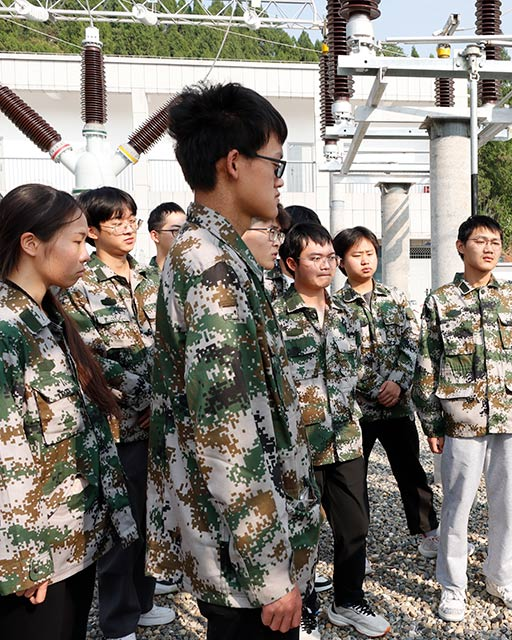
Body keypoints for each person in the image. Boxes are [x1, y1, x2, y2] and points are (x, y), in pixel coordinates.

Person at [145, 82, 321, 640]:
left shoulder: (219, 255)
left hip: (241, 546)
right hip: (247, 563)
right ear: (234, 162)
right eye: (275, 161)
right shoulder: (209, 266)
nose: (281, 176)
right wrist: (271, 573)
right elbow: (226, 431)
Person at [0, 184, 137, 639]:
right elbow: (7, 455)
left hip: (73, 539)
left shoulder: (49, 318)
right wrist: (21, 559)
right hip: (34, 557)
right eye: (77, 241)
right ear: (31, 243)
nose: (86, 252)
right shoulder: (7, 329)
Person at [412, 215, 512, 623]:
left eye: (495, 242)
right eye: (479, 241)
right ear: (460, 246)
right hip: (462, 419)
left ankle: (499, 575)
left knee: (506, 504)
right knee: (457, 505)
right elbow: (426, 361)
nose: (488, 248)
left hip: (511, 417)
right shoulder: (440, 301)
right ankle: (453, 585)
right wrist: (431, 423)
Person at [61, 187, 174, 640]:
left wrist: (162, 402)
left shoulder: (151, 279)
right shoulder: (78, 285)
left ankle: (143, 602)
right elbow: (89, 353)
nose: (128, 227)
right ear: (91, 231)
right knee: (119, 530)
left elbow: (172, 344)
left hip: (158, 425)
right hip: (116, 427)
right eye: (116, 220)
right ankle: (118, 621)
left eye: (132, 218)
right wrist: (145, 398)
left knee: (154, 521)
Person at [276, 223, 391, 638]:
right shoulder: (275, 316)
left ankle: (348, 601)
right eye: (315, 258)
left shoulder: (346, 314)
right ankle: (302, 607)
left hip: (345, 438)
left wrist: (384, 387)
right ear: (291, 264)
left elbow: (356, 370)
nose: (326, 266)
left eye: (329, 258)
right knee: (301, 530)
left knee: (355, 526)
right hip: (298, 446)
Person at [332, 226, 440, 558]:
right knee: (352, 480)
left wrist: (398, 382)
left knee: (410, 471)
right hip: (357, 411)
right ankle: (353, 542)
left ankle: (427, 531)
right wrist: (375, 387)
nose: (365, 261)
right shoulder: (335, 306)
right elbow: (338, 355)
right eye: (356, 255)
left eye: (369, 253)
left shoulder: (396, 298)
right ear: (341, 262)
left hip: (397, 407)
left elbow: (413, 340)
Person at [146, 202, 186, 272]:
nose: (184, 236)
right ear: (155, 236)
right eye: (176, 231)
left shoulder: (197, 277)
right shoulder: (143, 279)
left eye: (186, 230)